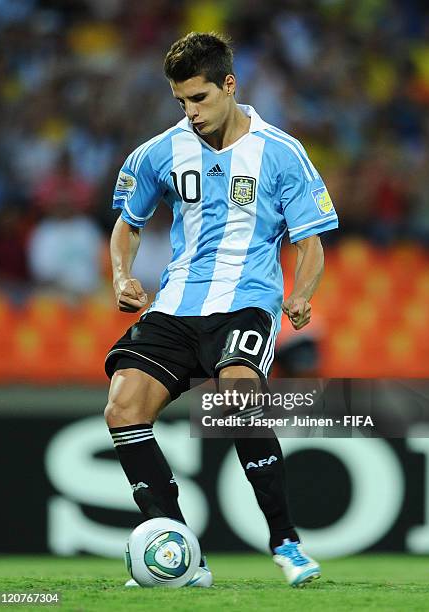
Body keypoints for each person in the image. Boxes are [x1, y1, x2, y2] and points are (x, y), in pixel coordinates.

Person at [104, 32, 338, 588]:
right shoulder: (161, 150)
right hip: (176, 305)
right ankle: (181, 553)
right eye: (181, 101)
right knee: (122, 407)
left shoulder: (280, 151)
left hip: (248, 302)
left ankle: (285, 541)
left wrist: (301, 293)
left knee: (236, 394)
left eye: (200, 98)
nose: (191, 113)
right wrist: (120, 274)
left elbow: (310, 244)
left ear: (229, 85)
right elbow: (127, 225)